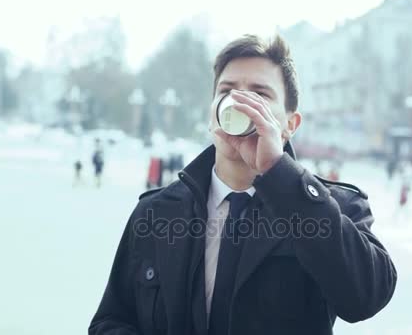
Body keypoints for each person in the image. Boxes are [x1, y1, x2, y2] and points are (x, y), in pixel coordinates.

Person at [89, 35, 396, 335]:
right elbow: (110, 321)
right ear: (212, 113)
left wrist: (279, 172)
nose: (240, 104)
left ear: (290, 124)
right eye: (227, 91)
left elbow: (365, 298)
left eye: (260, 94)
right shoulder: (156, 213)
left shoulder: (333, 208)